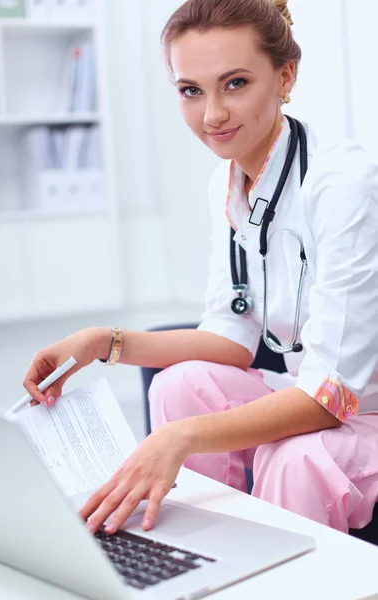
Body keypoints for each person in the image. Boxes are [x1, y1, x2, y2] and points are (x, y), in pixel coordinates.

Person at [23, 0, 378, 537]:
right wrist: (102, 343)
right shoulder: (227, 183)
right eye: (191, 90)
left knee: (295, 461)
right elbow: (232, 336)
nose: (212, 114)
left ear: (285, 76)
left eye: (234, 83)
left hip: (362, 411)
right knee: (177, 387)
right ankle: (198, 560)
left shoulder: (343, 183)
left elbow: (335, 397)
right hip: (306, 388)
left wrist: (181, 438)